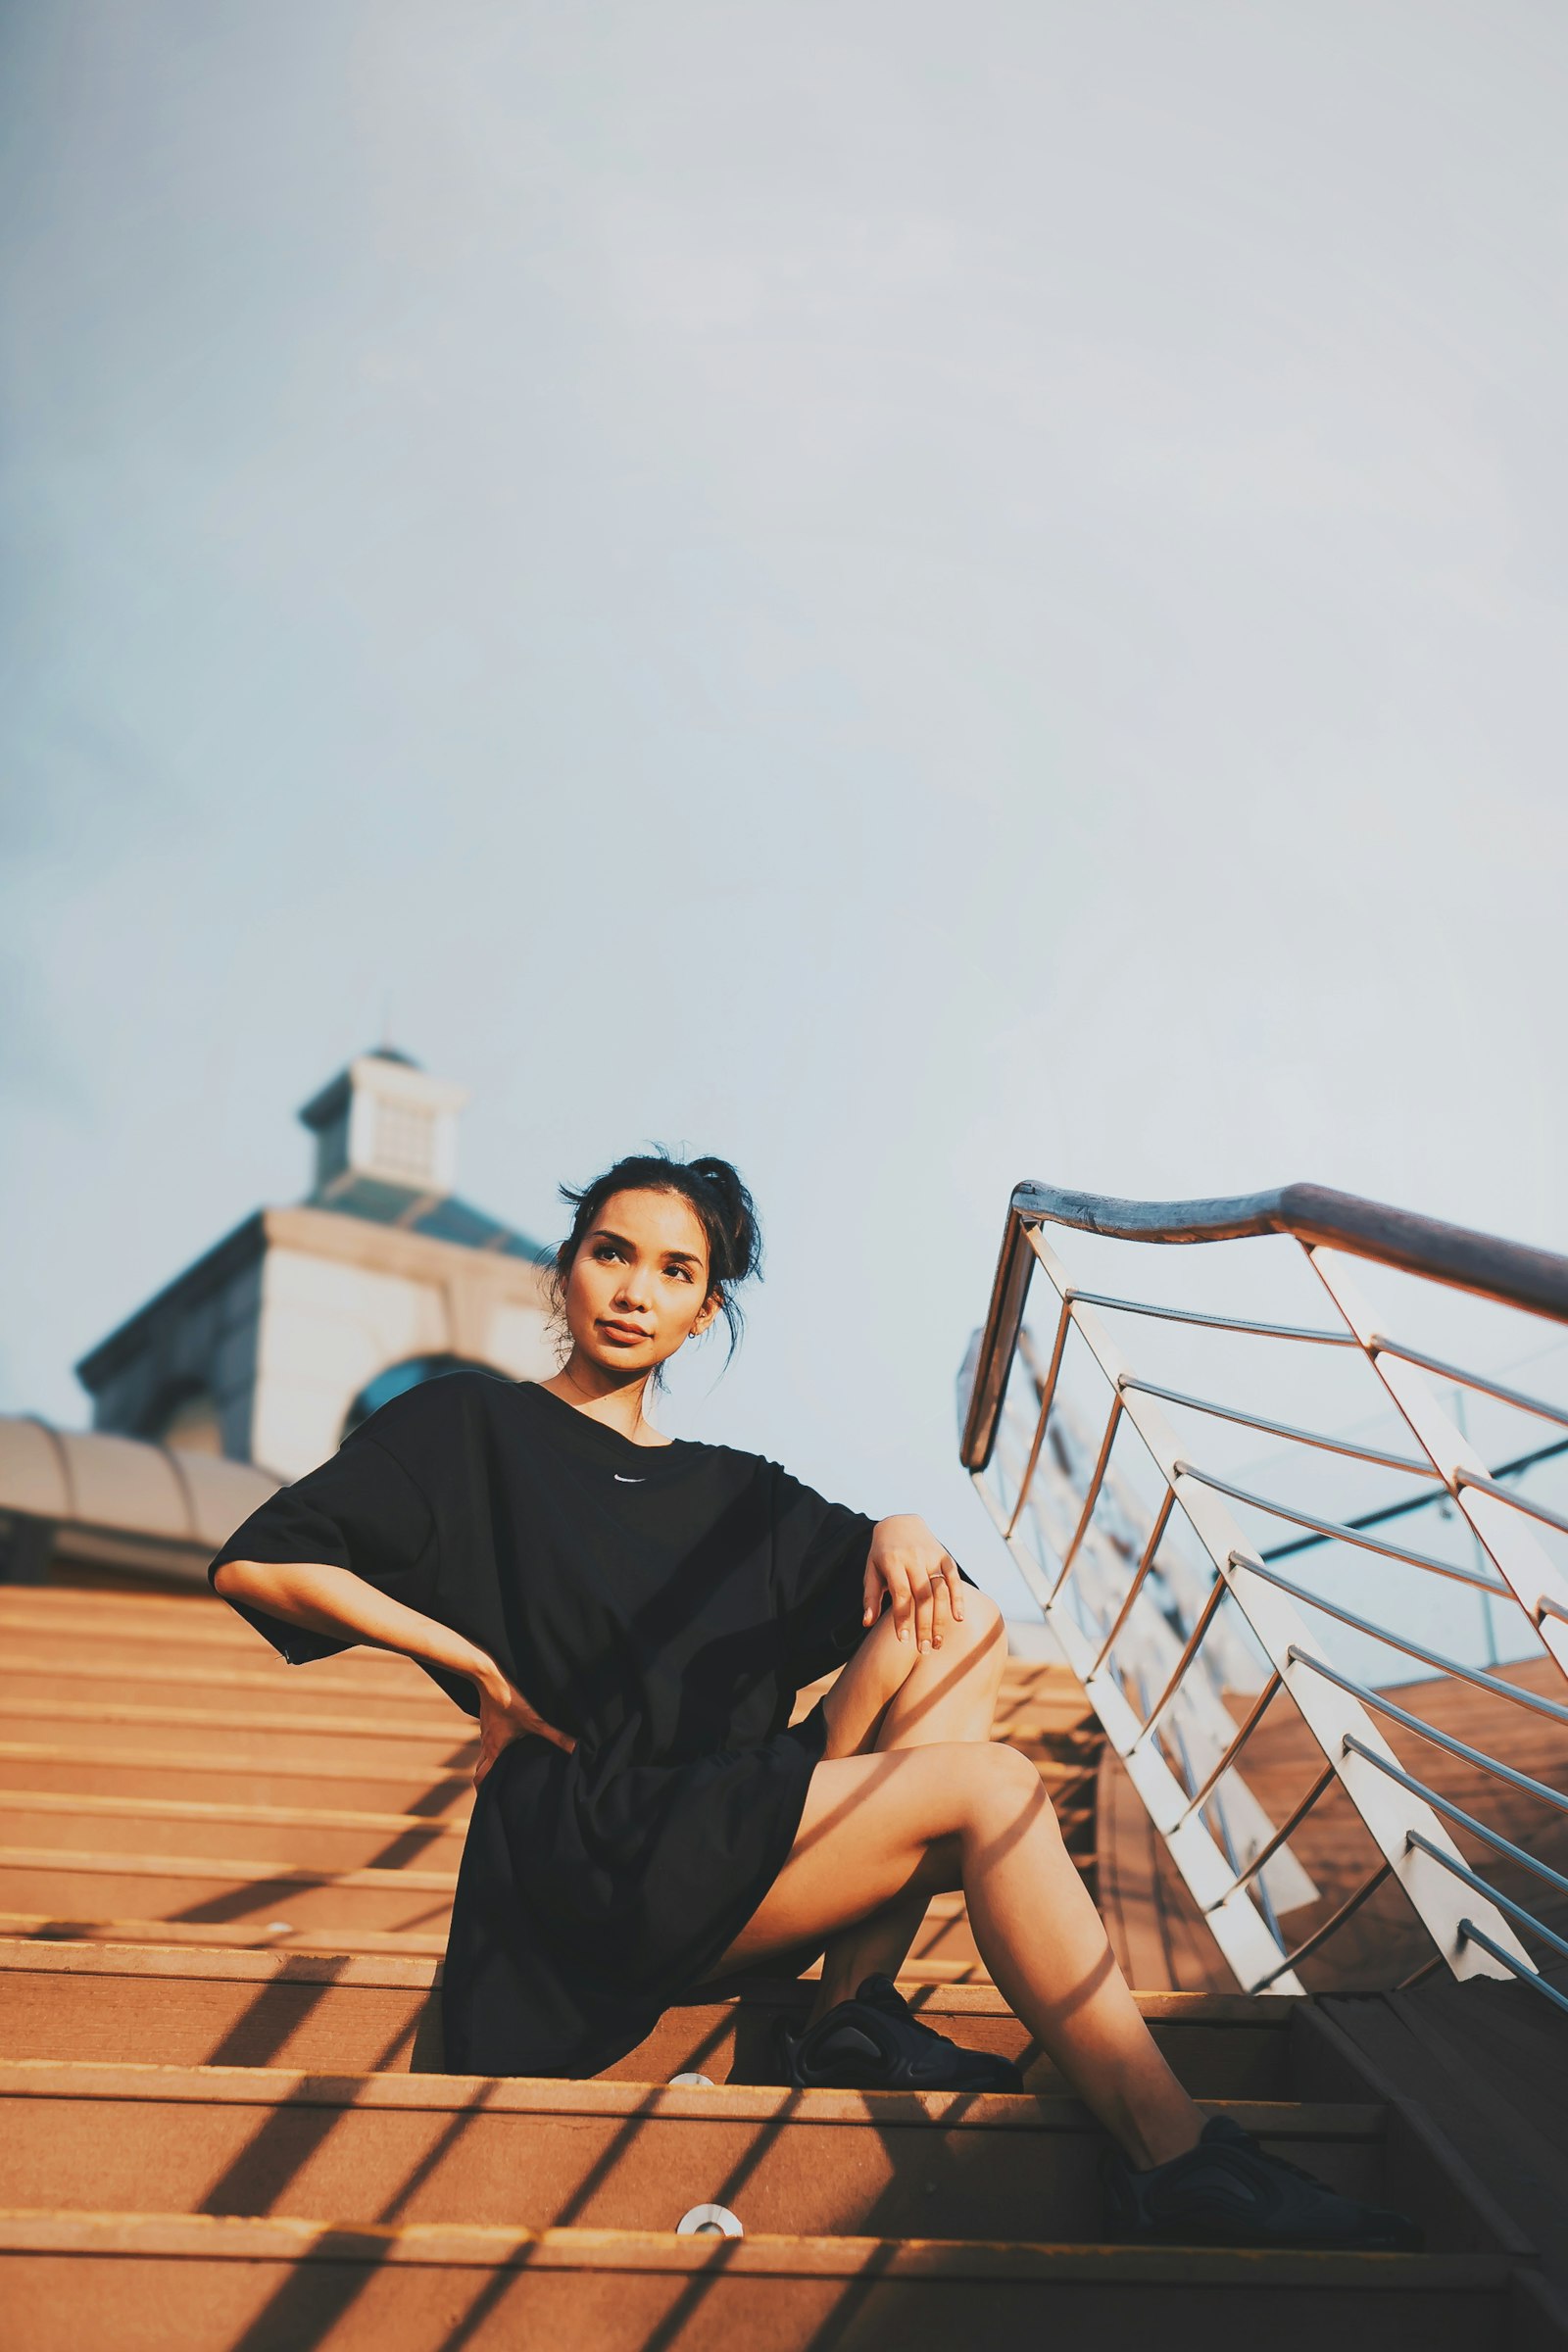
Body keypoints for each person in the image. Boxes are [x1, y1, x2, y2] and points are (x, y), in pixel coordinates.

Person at [210, 1151, 1419, 2250]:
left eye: (673, 1271)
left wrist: (898, 1522)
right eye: (611, 1253)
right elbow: (261, 1561)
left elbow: (910, 1591)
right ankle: (1174, 2155)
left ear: (705, 1311)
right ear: (568, 1271)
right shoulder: (472, 1425)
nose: (634, 1290)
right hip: (586, 1853)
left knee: (959, 1609)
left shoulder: (734, 1493)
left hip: (725, 1828)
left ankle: (852, 2013)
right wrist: (472, 1665)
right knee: (992, 1782)